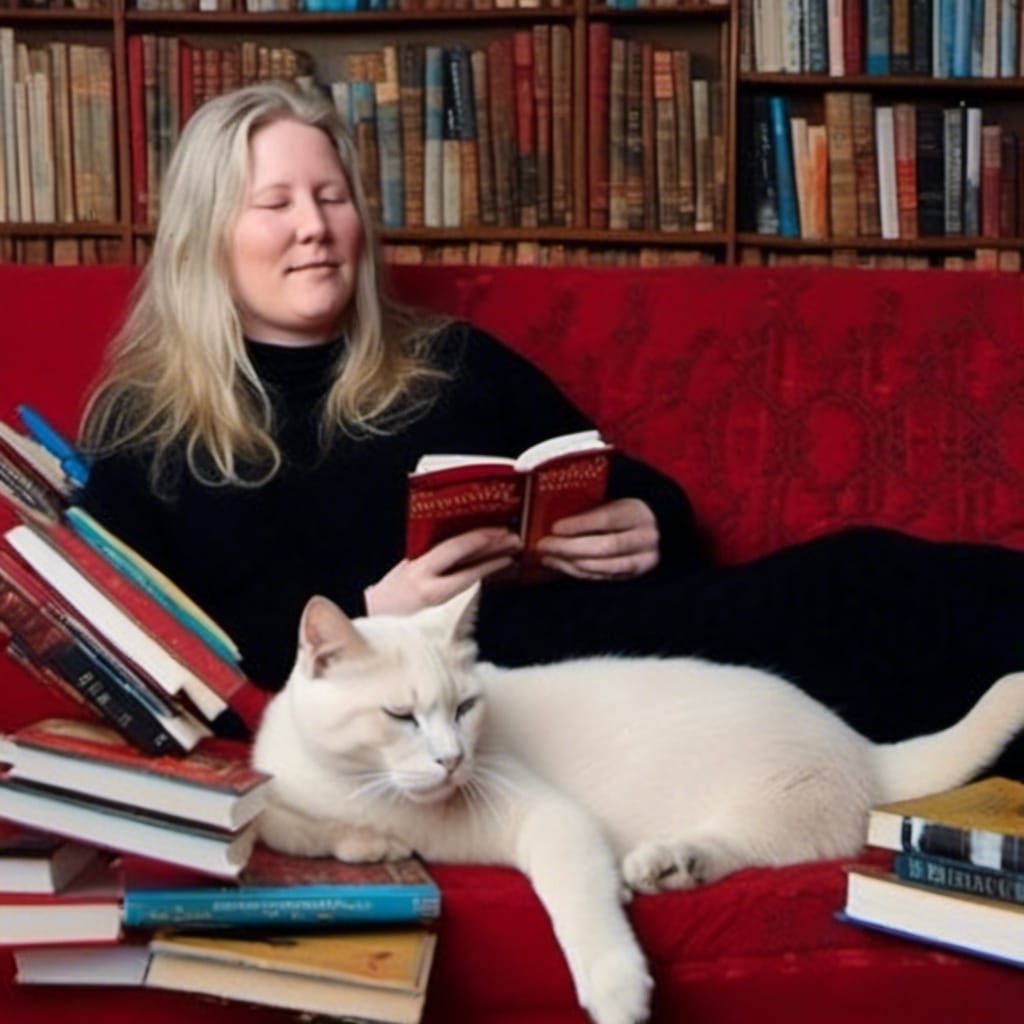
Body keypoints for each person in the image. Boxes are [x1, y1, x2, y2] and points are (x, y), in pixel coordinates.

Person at [80, 82, 1024, 776]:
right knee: (864, 609)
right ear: (207, 233)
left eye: (332, 198)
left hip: (627, 633)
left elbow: (630, 480)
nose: (316, 228)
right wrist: (375, 620)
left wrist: (651, 522)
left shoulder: (446, 359)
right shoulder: (149, 436)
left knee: (864, 577)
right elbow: (178, 676)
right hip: (499, 714)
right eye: (275, 204)